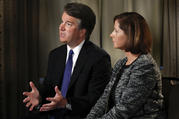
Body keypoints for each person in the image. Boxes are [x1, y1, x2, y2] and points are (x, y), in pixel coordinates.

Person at [23, 2, 111, 119]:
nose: (61, 27)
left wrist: (66, 103)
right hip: (50, 114)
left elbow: (95, 99)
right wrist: (39, 95)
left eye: (68, 24)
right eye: (62, 21)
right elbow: (50, 86)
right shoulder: (55, 54)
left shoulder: (99, 58)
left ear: (82, 31)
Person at [86, 12, 165, 119]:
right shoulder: (121, 63)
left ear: (131, 34)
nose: (111, 34)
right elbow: (104, 99)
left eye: (116, 31)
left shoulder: (145, 65)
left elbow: (124, 109)